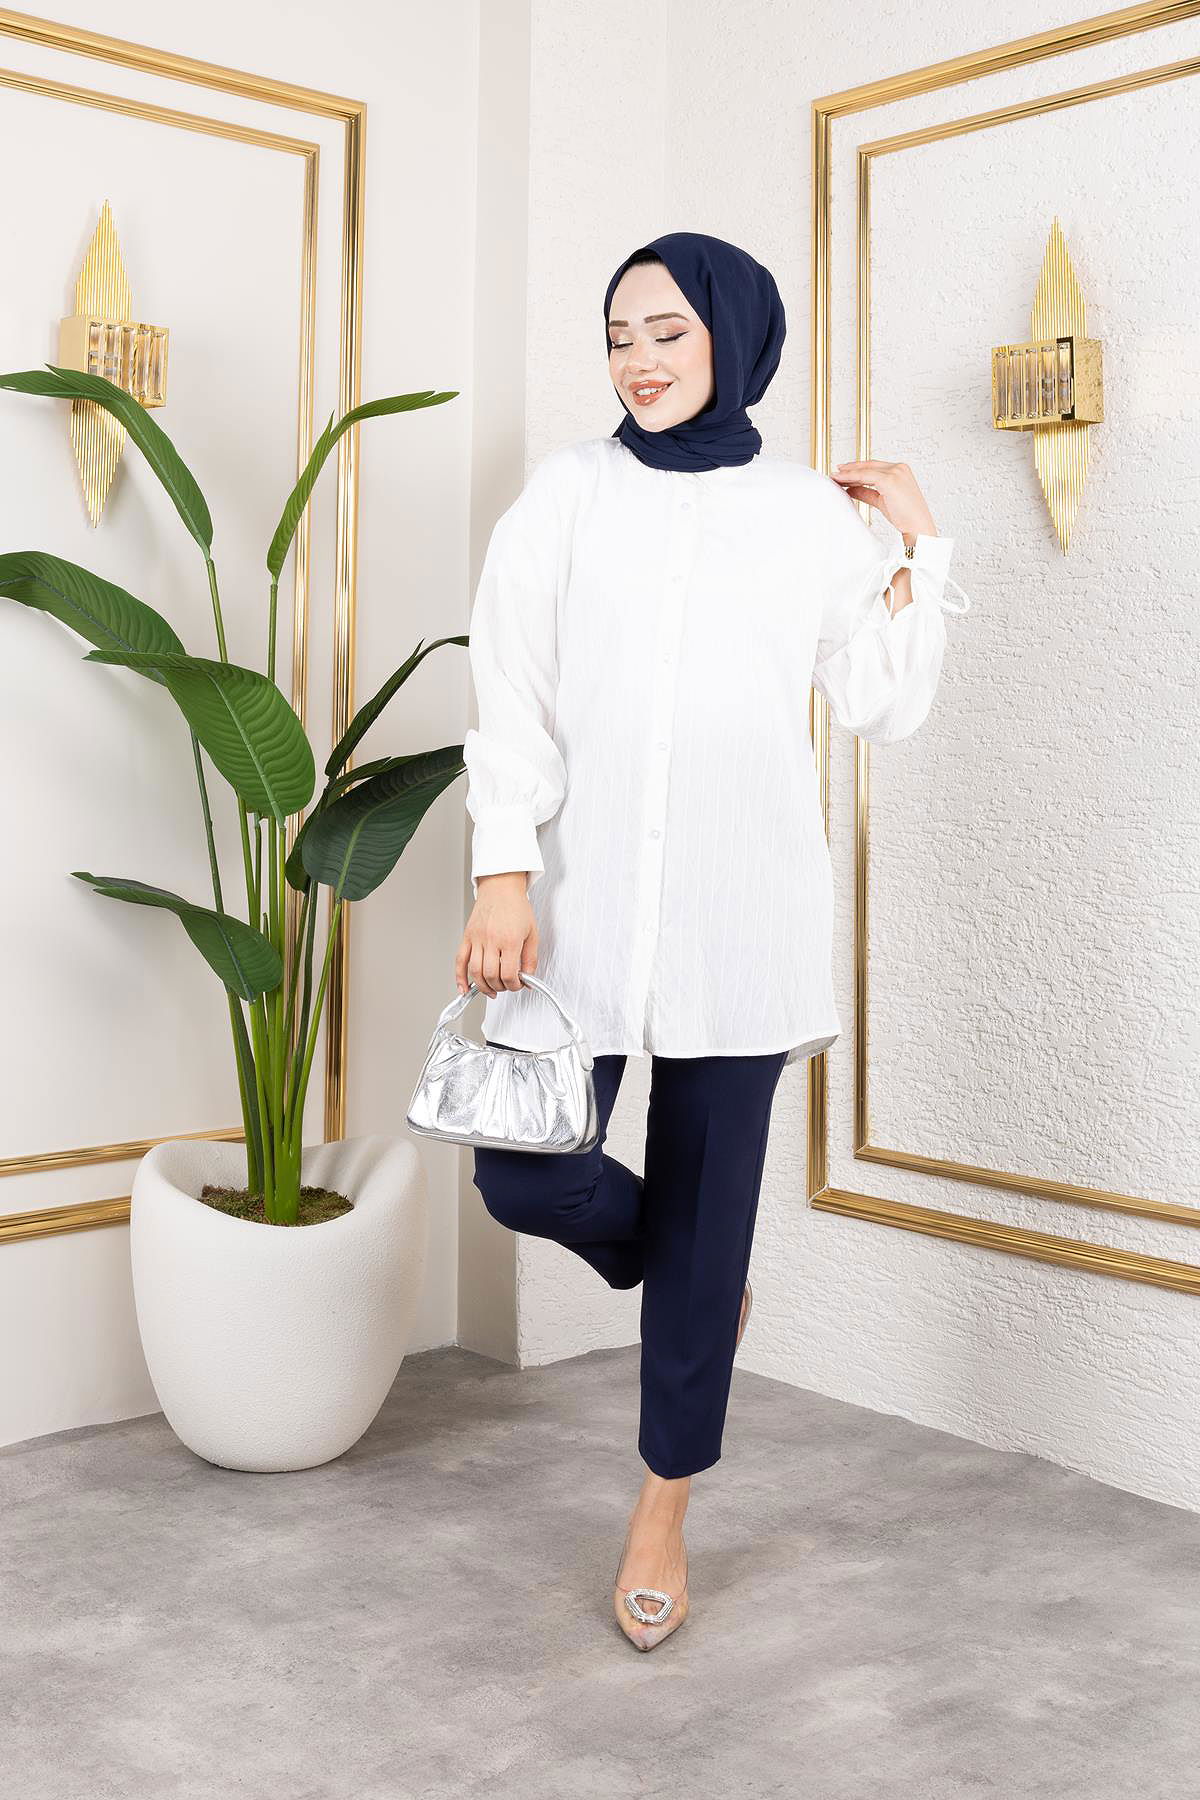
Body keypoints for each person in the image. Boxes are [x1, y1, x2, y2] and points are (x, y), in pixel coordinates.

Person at [454, 231, 972, 1651]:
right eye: (620, 335)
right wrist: (503, 874)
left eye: (670, 332)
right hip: (574, 912)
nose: (639, 360)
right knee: (523, 1172)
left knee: (708, 1191)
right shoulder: (568, 494)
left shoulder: (809, 516)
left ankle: (663, 1512)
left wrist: (918, 541)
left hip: (745, 921)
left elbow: (883, 705)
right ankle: (691, 1271)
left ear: (734, 337)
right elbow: (512, 690)